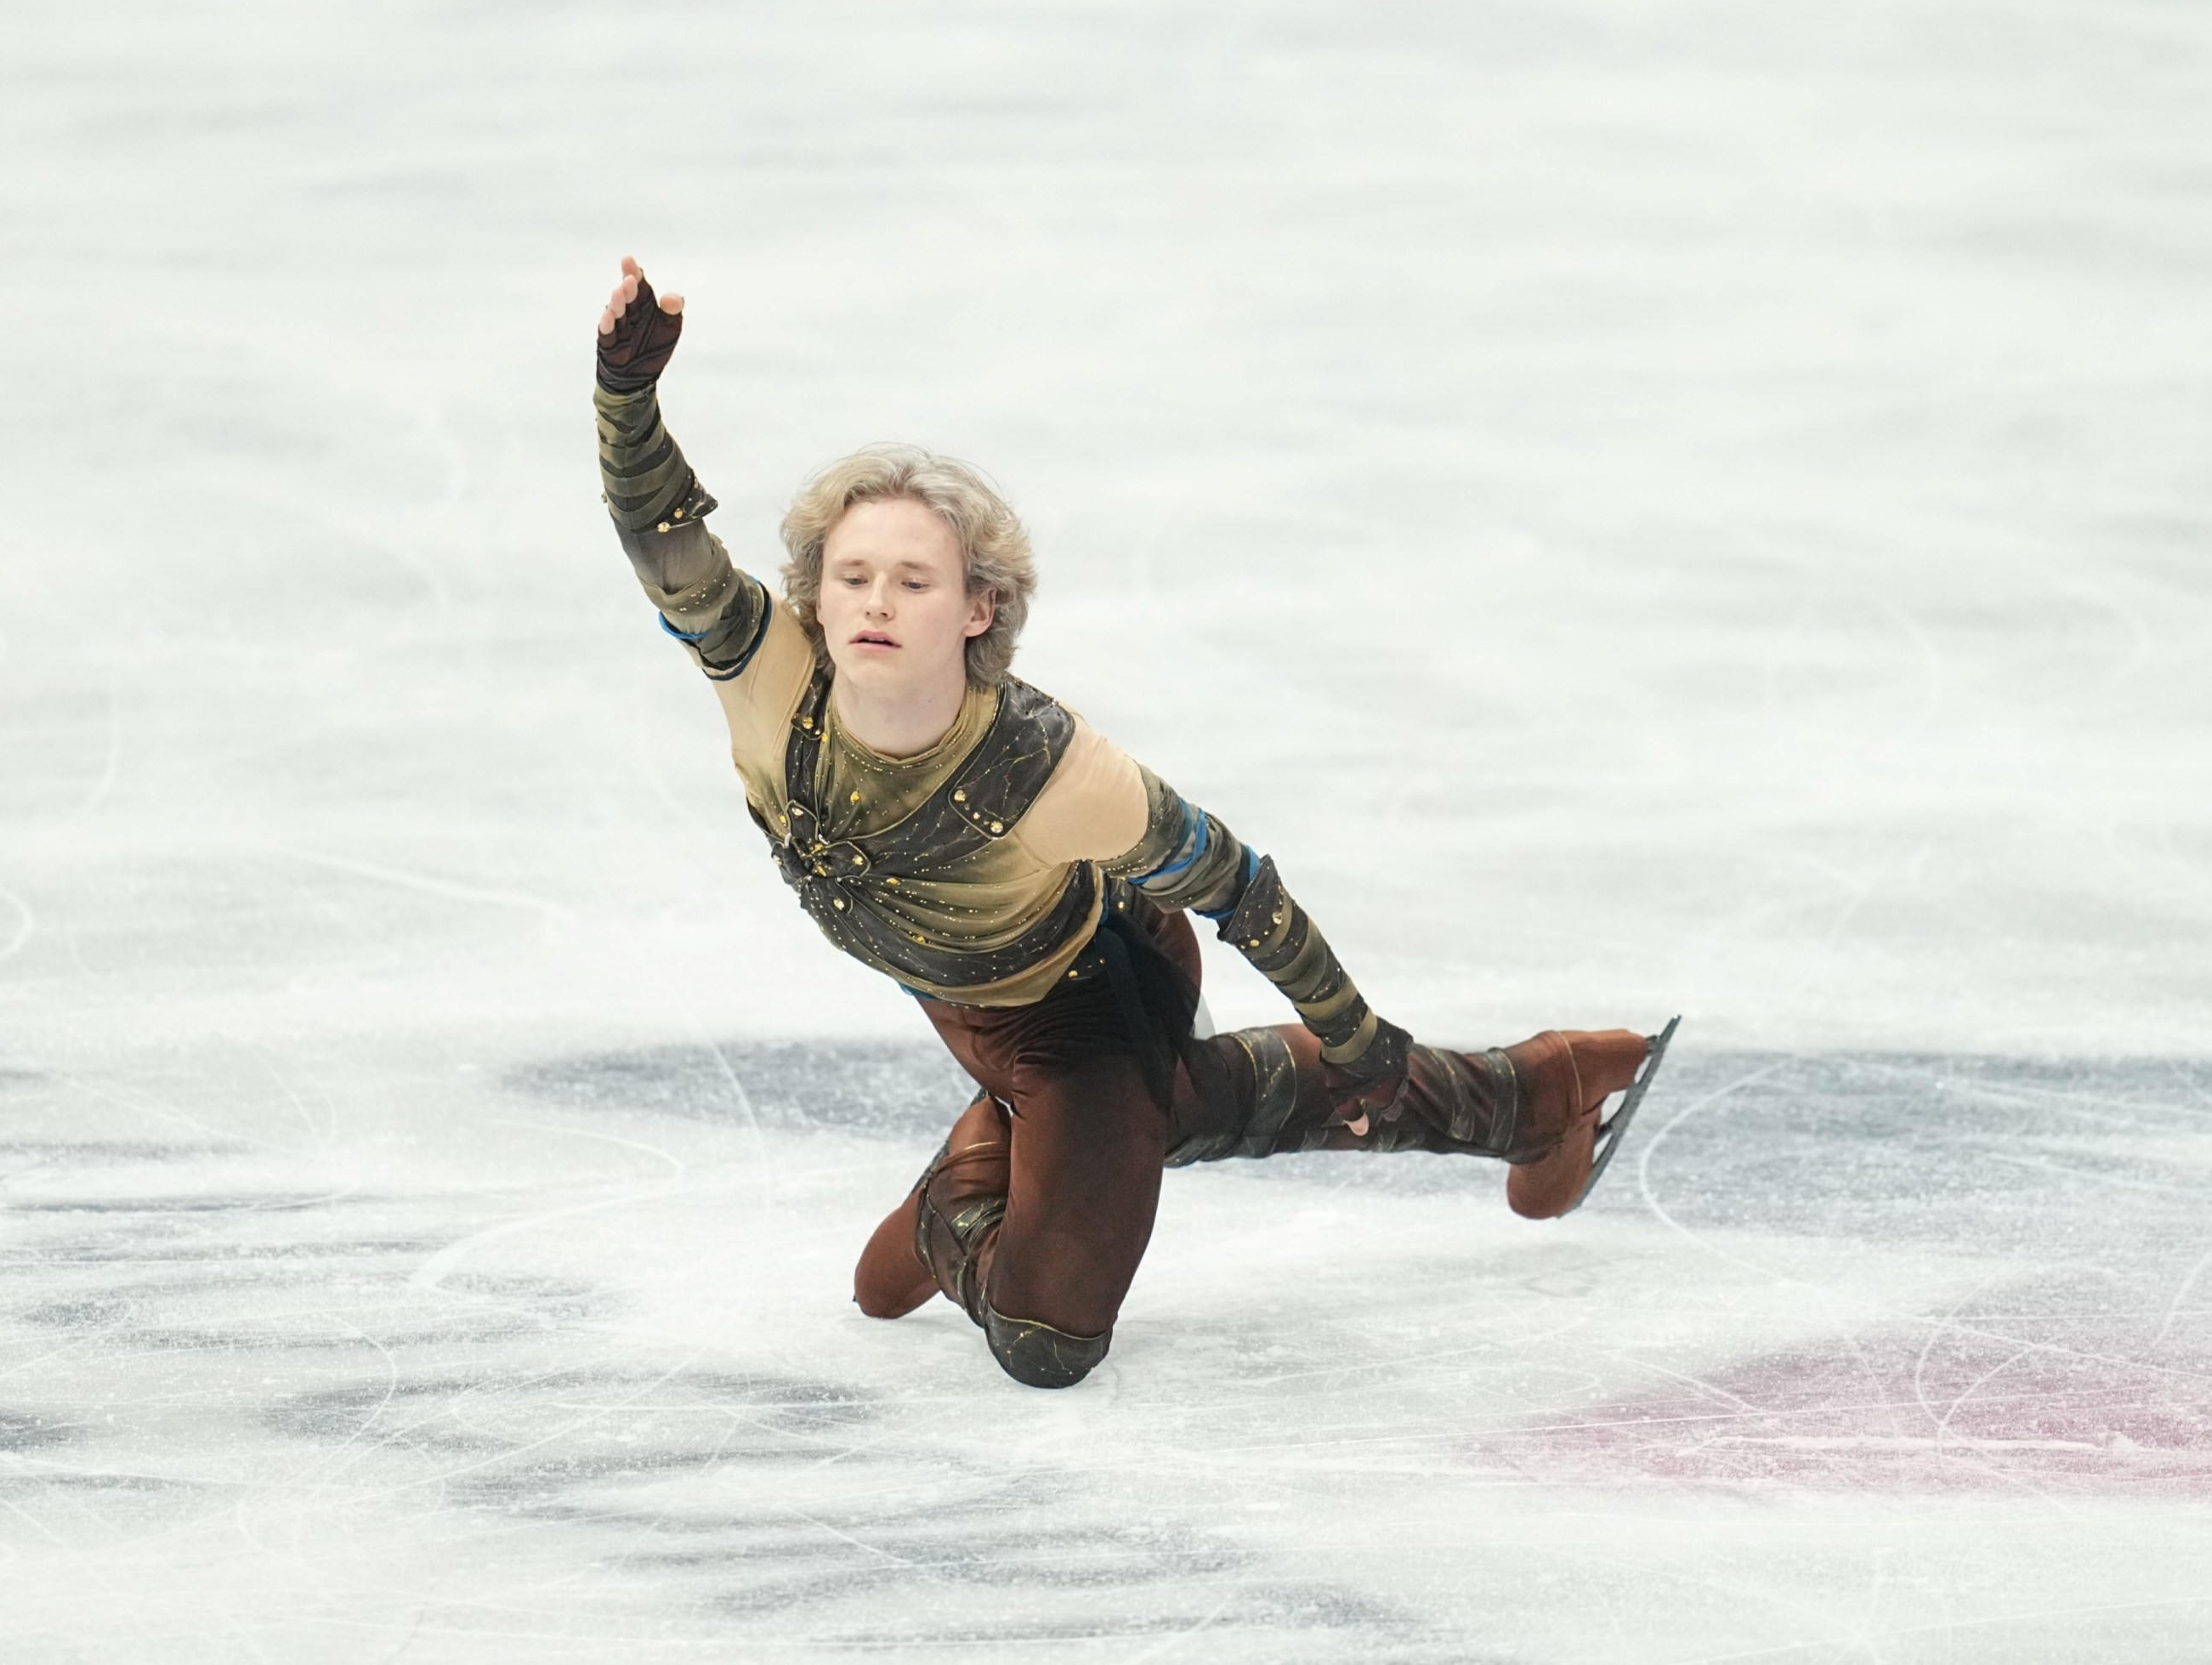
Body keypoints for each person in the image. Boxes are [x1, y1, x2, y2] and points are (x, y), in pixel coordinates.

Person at [593, 257, 1675, 1389]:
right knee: (972, 1245)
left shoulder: (1048, 770)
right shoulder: (765, 666)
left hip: (1088, 1005)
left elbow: (1241, 888)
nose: (874, 600)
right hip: (956, 1001)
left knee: (1047, 1341)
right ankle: (1519, 1098)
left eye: (913, 581)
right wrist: (626, 391)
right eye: (852, 575)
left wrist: (1362, 1045)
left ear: (978, 609)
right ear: (816, 594)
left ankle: (1521, 1088)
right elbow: (654, 523)